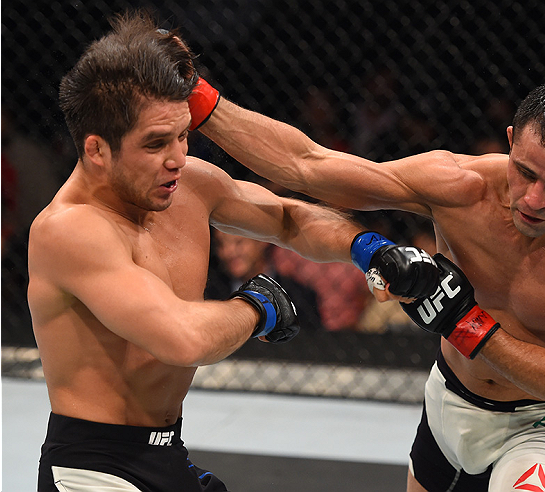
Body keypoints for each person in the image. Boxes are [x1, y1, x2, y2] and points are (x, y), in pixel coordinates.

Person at [27, 12, 438, 492]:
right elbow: (182, 338)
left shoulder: (188, 184)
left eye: (183, 135)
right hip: (93, 469)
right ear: (96, 150)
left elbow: (289, 217)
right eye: (156, 143)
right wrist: (258, 305)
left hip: (167, 452)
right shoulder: (70, 231)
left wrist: (368, 248)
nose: (178, 157)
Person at [190, 78, 545, 491]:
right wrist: (197, 97)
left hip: (544, 422)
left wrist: (463, 321)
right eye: (525, 172)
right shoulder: (459, 187)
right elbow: (306, 165)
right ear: (511, 142)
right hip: (450, 401)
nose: (533, 199)